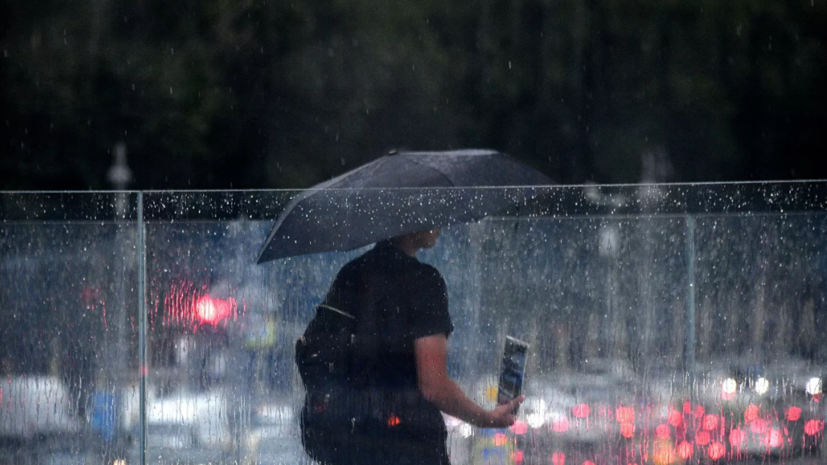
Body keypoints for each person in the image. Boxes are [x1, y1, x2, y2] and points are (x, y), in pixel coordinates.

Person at [300, 228, 523, 465]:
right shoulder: (424, 281)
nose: (440, 223)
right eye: (432, 213)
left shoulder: (351, 274)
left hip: (352, 443)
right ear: (410, 221)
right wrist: (486, 418)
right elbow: (433, 386)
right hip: (408, 444)